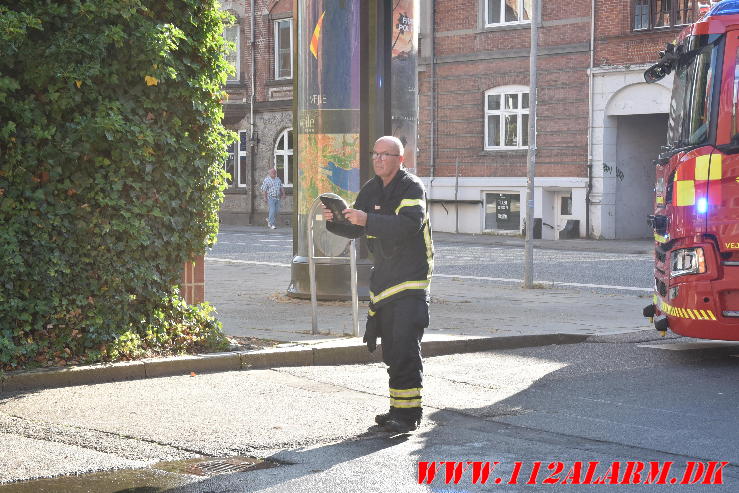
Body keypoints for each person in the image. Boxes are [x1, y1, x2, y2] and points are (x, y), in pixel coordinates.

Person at [322, 136, 433, 433]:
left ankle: (409, 416)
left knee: (406, 349)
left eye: (386, 154)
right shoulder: (372, 188)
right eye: (375, 153)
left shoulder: (412, 188)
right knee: (393, 349)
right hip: (384, 282)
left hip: (410, 281)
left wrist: (366, 219)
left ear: (401, 160)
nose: (379, 159)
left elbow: (409, 225)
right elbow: (357, 227)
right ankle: (398, 408)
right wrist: (335, 220)